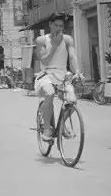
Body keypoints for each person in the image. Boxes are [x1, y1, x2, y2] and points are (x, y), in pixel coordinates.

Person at [35, 13, 83, 142]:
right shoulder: (41, 40)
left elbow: (72, 56)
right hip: (46, 74)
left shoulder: (67, 39)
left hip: (62, 75)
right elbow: (44, 61)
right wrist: (54, 47)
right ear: (50, 25)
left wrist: (77, 71)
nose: (58, 28)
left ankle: (61, 125)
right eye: (56, 25)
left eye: (61, 26)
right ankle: (46, 129)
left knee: (72, 100)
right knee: (50, 93)